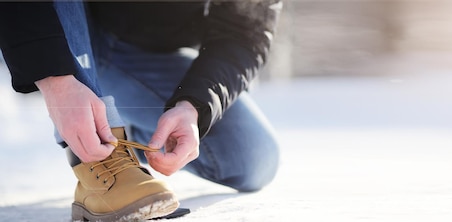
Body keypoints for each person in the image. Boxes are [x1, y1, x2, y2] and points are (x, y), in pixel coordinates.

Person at [0, 1, 281, 221]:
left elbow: (245, 29)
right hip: (62, 29)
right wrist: (55, 78)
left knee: (252, 157)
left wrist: (193, 106)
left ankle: (122, 137)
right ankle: (96, 164)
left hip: (140, 53)